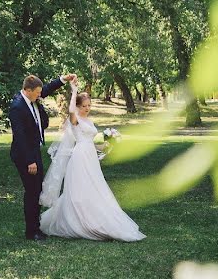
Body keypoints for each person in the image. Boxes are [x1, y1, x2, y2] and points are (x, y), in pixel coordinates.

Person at [39, 82, 146, 241]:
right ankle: (80, 222)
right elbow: (71, 112)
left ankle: (96, 218)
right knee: (80, 190)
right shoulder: (75, 119)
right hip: (80, 157)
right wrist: (74, 91)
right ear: (78, 106)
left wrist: (107, 145)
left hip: (90, 157)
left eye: (89, 105)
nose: (87, 108)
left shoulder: (89, 121)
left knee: (95, 187)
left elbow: (91, 143)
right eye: (84, 106)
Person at [8, 73, 75, 240]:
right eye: (37, 93)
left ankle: (36, 227)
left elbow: (46, 89)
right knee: (32, 191)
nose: (40, 95)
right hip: (25, 156)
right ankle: (31, 232)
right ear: (27, 90)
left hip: (34, 151)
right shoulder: (17, 107)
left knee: (37, 189)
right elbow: (20, 136)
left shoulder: (32, 97)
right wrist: (29, 160)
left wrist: (63, 80)